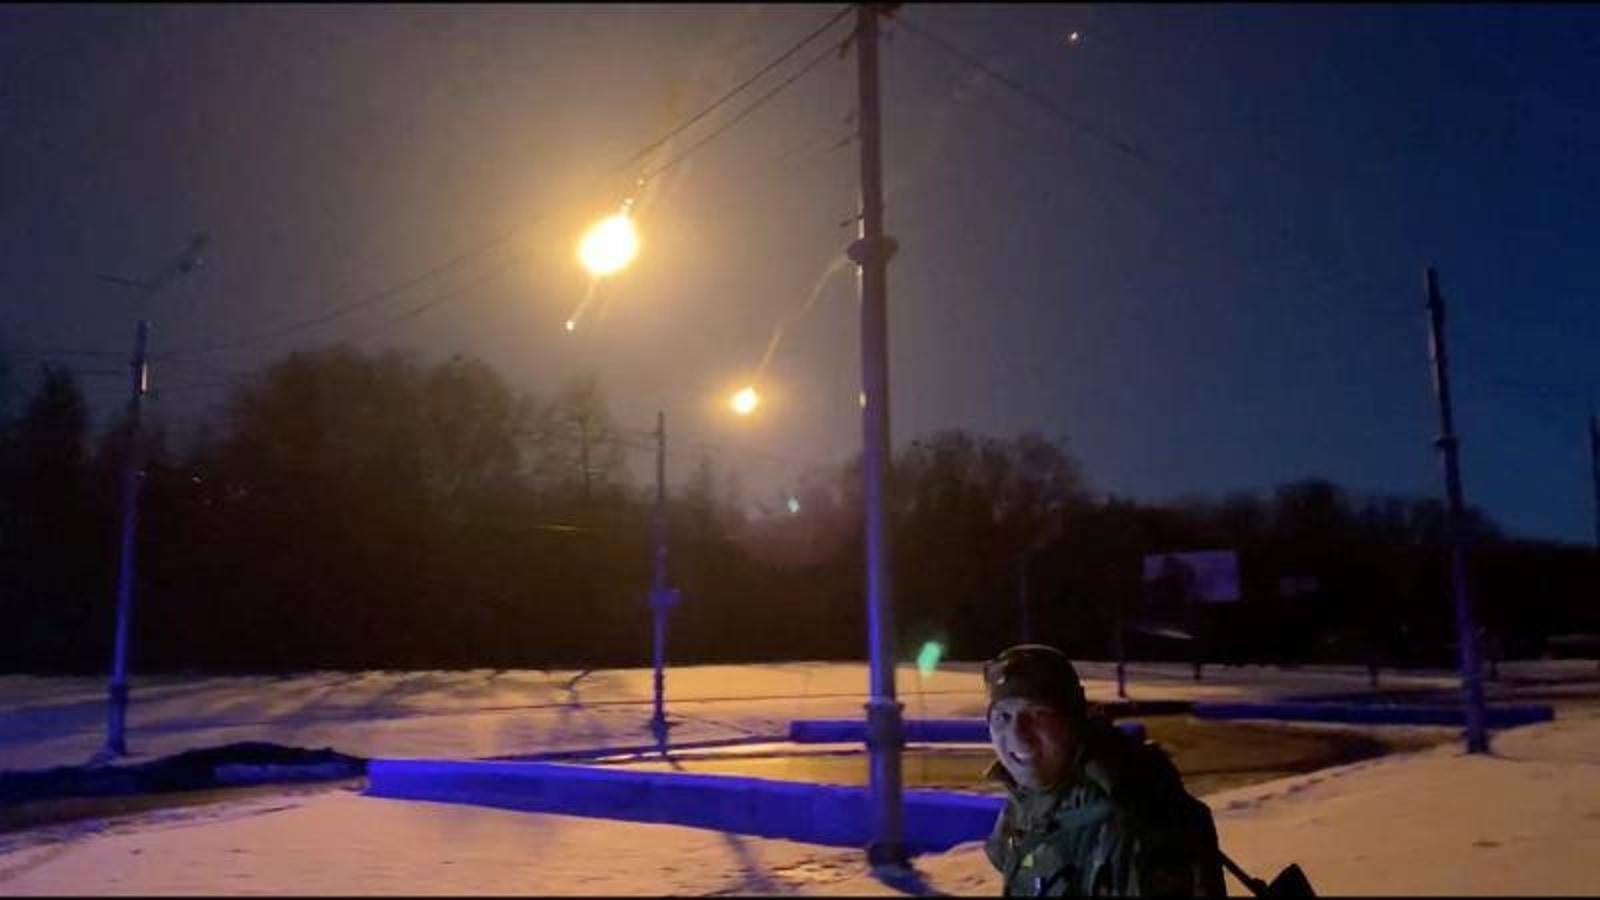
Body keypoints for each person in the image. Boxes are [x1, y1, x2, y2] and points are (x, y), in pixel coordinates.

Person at [983, 644, 1226, 896]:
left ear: (1073, 721)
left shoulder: (1137, 814)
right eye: (1003, 717)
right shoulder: (1027, 801)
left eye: (1037, 715)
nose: (1017, 735)